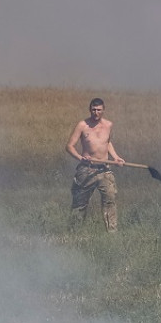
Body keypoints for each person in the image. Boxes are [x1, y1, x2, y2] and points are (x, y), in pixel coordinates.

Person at [66, 98, 125, 231]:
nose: (96, 112)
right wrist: (80, 157)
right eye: (93, 109)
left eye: (99, 110)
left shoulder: (108, 125)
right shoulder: (82, 125)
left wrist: (116, 157)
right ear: (90, 109)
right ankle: (74, 233)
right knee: (80, 203)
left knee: (110, 200)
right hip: (86, 170)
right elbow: (69, 146)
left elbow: (107, 142)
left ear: (103, 110)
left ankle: (112, 234)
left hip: (104, 169)